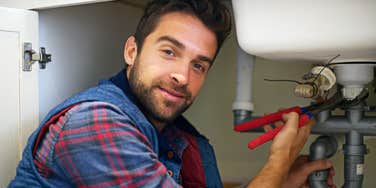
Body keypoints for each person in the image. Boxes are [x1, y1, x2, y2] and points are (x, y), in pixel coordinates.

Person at [9, 0, 334, 187]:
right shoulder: (94, 123)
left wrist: (282, 180)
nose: (182, 75)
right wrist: (279, 159)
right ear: (132, 51)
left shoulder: (171, 133)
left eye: (199, 65)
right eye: (169, 52)